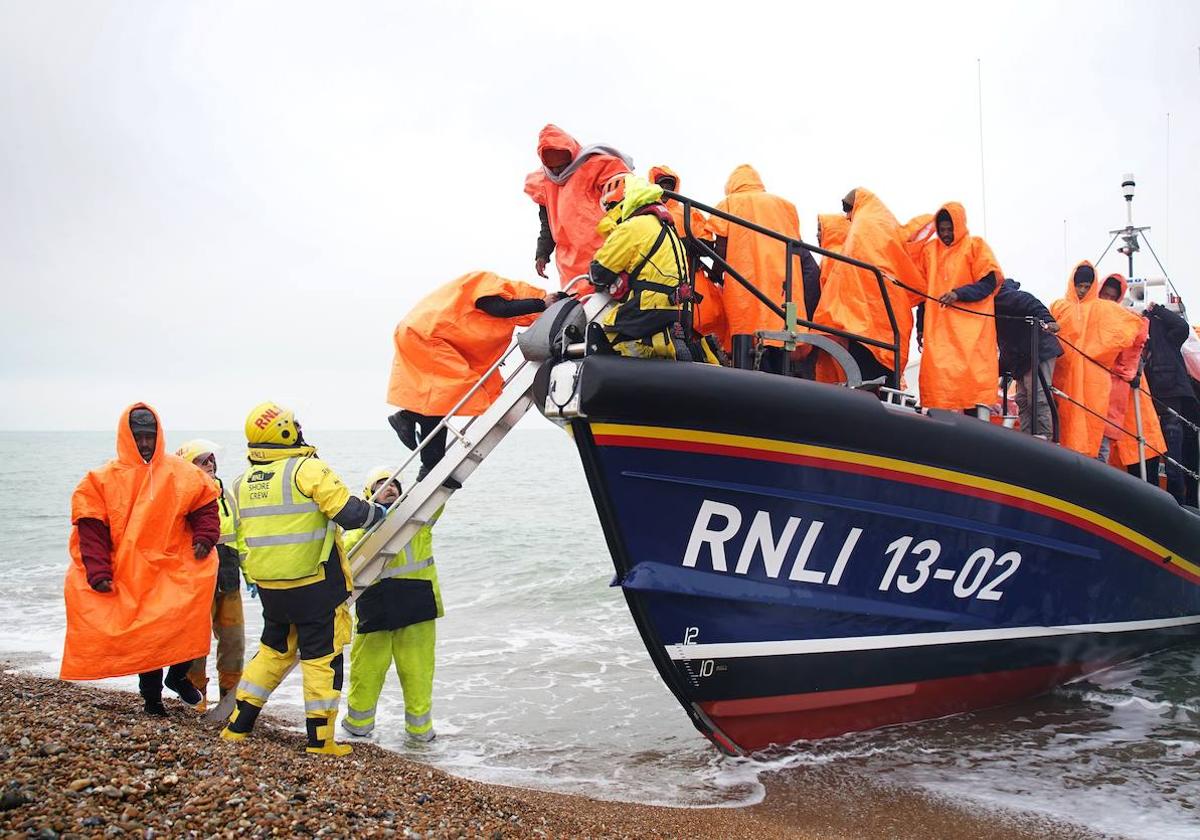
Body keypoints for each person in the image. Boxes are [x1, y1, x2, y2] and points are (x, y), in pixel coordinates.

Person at [221, 402, 389, 756]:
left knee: (273, 651)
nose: (298, 428)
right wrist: (379, 512)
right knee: (322, 658)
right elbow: (349, 513)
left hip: (271, 588)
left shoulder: (242, 482)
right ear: (284, 431)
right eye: (293, 425)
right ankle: (320, 741)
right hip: (314, 585)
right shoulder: (308, 470)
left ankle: (239, 725)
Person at [62, 404, 219, 716]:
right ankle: (152, 700)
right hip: (130, 571)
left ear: (159, 436)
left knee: (186, 620)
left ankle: (178, 677)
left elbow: (205, 506)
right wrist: (98, 571)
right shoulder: (101, 479)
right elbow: (91, 528)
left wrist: (205, 537)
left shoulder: (182, 472)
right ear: (125, 437)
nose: (144, 443)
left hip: (174, 564)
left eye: (150, 436)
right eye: (138, 437)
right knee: (147, 636)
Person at [387, 272, 554, 484]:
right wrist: (541, 303)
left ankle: (431, 466)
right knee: (446, 397)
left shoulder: (489, 298)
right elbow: (499, 308)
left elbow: (472, 326)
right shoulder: (490, 283)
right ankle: (409, 418)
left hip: (422, 334)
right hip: (426, 336)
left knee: (439, 404)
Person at [341, 467, 445, 742]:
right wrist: (371, 523)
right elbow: (346, 553)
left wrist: (434, 471)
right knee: (366, 670)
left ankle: (421, 732)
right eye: (382, 484)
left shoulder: (418, 518)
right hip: (376, 607)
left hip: (416, 605)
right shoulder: (358, 528)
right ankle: (357, 727)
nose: (390, 488)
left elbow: (439, 497)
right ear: (368, 494)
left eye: (394, 484)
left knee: (418, 672)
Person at [812, 188, 924, 387]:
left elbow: (847, 280)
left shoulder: (861, 228)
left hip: (864, 322)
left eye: (848, 212)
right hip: (887, 318)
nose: (847, 217)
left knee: (865, 377)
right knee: (880, 377)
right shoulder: (885, 224)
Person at [705, 165, 818, 352]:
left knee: (747, 344)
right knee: (779, 347)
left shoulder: (729, 203)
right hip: (783, 290)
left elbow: (721, 248)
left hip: (745, 288)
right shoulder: (786, 207)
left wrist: (714, 275)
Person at [589, 174, 696, 360]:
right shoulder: (668, 228)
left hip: (651, 305)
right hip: (681, 308)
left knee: (610, 333)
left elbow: (599, 272)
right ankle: (694, 351)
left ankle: (663, 345)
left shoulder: (632, 227)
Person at [176, 440, 246, 710]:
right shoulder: (181, 498)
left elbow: (240, 537)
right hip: (194, 579)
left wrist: (251, 575)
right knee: (195, 643)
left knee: (233, 641)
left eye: (212, 460)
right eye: (202, 460)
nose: (210, 465)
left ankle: (230, 700)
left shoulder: (226, 496)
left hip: (228, 575)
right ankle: (195, 699)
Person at [914, 203, 1003, 415]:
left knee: (972, 391)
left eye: (950, 229)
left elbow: (989, 283)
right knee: (940, 389)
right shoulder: (929, 252)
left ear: (959, 225)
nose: (945, 234)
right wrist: (920, 328)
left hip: (971, 336)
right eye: (942, 229)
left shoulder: (975, 246)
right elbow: (923, 294)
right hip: (939, 335)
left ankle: (977, 438)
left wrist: (958, 294)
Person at [1051, 262, 1145, 457]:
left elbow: (1138, 329)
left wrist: (1128, 370)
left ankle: (1095, 480)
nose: (1083, 290)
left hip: (1093, 384)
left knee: (1095, 431)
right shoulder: (1058, 306)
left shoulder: (1105, 309)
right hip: (1062, 380)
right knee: (1062, 430)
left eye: (1087, 286)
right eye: (1080, 285)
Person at [524, 124, 632, 288]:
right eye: (553, 167)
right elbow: (547, 224)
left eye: (562, 164)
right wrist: (542, 253)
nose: (559, 170)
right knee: (580, 306)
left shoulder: (597, 165)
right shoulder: (543, 183)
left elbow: (623, 199)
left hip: (606, 250)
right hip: (570, 263)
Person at [649, 164, 727, 344]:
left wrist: (683, 245)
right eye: (661, 184)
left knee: (706, 315)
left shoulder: (688, 211)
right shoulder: (646, 212)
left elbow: (707, 242)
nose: (665, 189)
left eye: (669, 184)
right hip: (658, 276)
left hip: (688, 275)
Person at [1143, 301, 1200, 504]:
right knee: (1151, 454)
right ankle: (1157, 499)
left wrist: (1157, 310)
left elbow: (1181, 327)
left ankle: (1180, 501)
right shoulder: (1134, 329)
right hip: (1146, 401)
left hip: (1170, 399)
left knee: (1174, 456)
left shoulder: (1165, 332)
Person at [993, 278, 1063, 438]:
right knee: (1023, 400)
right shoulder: (992, 305)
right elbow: (1006, 343)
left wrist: (1049, 321)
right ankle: (1027, 438)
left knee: (1038, 398)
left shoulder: (1008, 297)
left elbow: (1033, 305)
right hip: (1022, 356)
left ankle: (1044, 439)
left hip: (1039, 351)